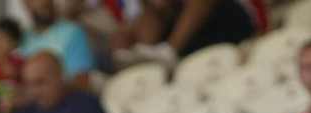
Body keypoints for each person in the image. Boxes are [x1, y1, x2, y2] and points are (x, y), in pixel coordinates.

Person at [109, 0, 265, 68]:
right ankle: (142, 67)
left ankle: (168, 52)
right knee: (123, 32)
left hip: (226, 21)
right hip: (182, 33)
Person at [20, 0, 99, 80]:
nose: (45, 1)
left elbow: (82, 79)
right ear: (26, 3)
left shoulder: (73, 32)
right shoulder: (22, 37)